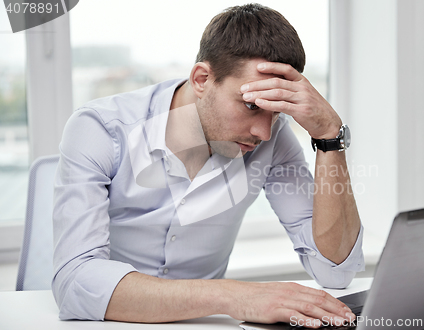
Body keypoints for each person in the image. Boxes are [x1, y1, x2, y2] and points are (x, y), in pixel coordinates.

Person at [52, 3, 364, 328]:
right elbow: (75, 282)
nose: (264, 131)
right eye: (251, 106)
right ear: (202, 79)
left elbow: (336, 270)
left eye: (277, 110)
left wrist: (329, 137)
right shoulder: (100, 129)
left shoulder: (274, 139)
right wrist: (234, 297)